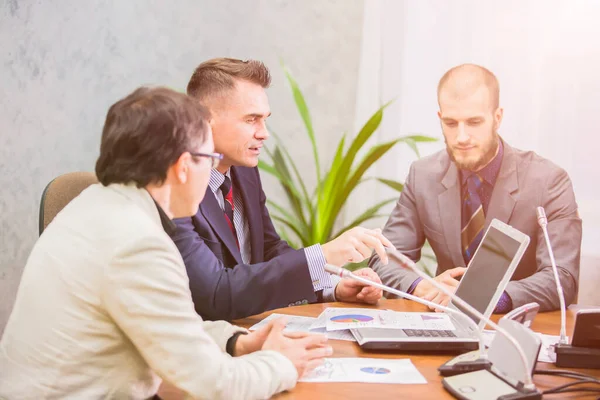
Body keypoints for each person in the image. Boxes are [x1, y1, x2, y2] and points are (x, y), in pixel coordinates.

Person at [0, 87, 331, 399]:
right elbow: (214, 386)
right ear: (184, 166)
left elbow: (168, 324)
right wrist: (282, 362)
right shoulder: (138, 244)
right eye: (210, 158)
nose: (213, 170)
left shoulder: (95, 207)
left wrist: (235, 342)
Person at [173, 58, 391, 321]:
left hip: (250, 328)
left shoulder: (245, 170)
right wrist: (324, 255)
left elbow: (268, 249)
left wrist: (332, 285)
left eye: (265, 119)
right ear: (204, 121)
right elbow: (215, 294)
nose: (264, 133)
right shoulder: (175, 187)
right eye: (251, 119)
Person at [369, 64, 581, 313]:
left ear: (497, 118)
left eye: (473, 122)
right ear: (440, 119)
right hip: (441, 324)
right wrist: (421, 286)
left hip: (514, 329)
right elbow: (384, 259)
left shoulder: (548, 181)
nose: (461, 137)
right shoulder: (423, 176)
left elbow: (562, 279)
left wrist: (483, 298)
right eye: (451, 123)